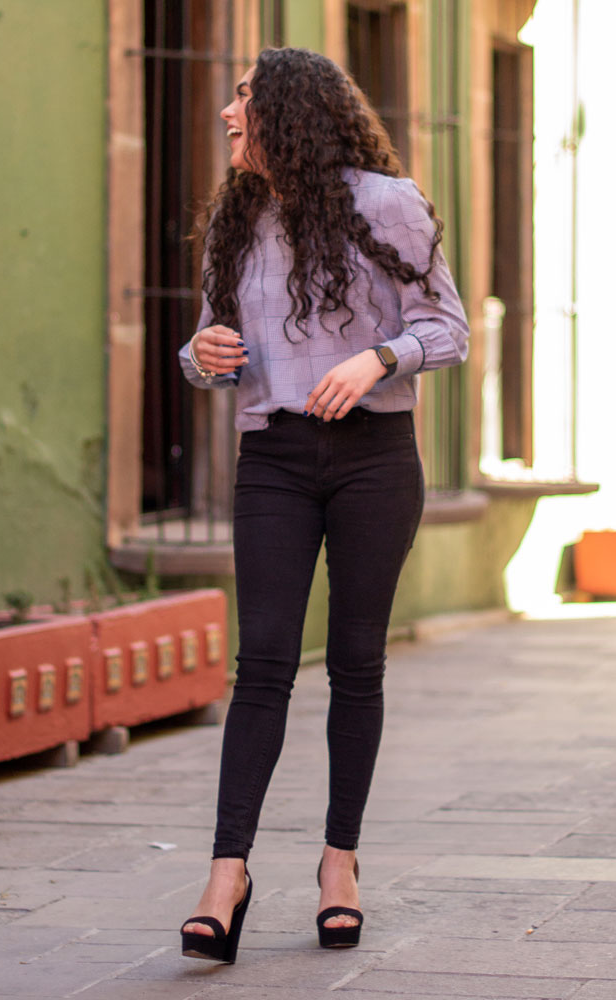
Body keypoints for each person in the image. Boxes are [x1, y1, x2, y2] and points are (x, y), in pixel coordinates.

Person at [177, 46, 469, 964]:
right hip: (274, 455)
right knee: (262, 662)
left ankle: (338, 864)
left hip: (375, 459)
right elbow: (204, 344)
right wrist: (204, 354)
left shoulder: (389, 203)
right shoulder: (239, 217)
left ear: (292, 116)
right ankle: (227, 876)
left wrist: (380, 359)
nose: (227, 115)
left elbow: (446, 327)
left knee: (355, 664)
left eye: (244, 100)